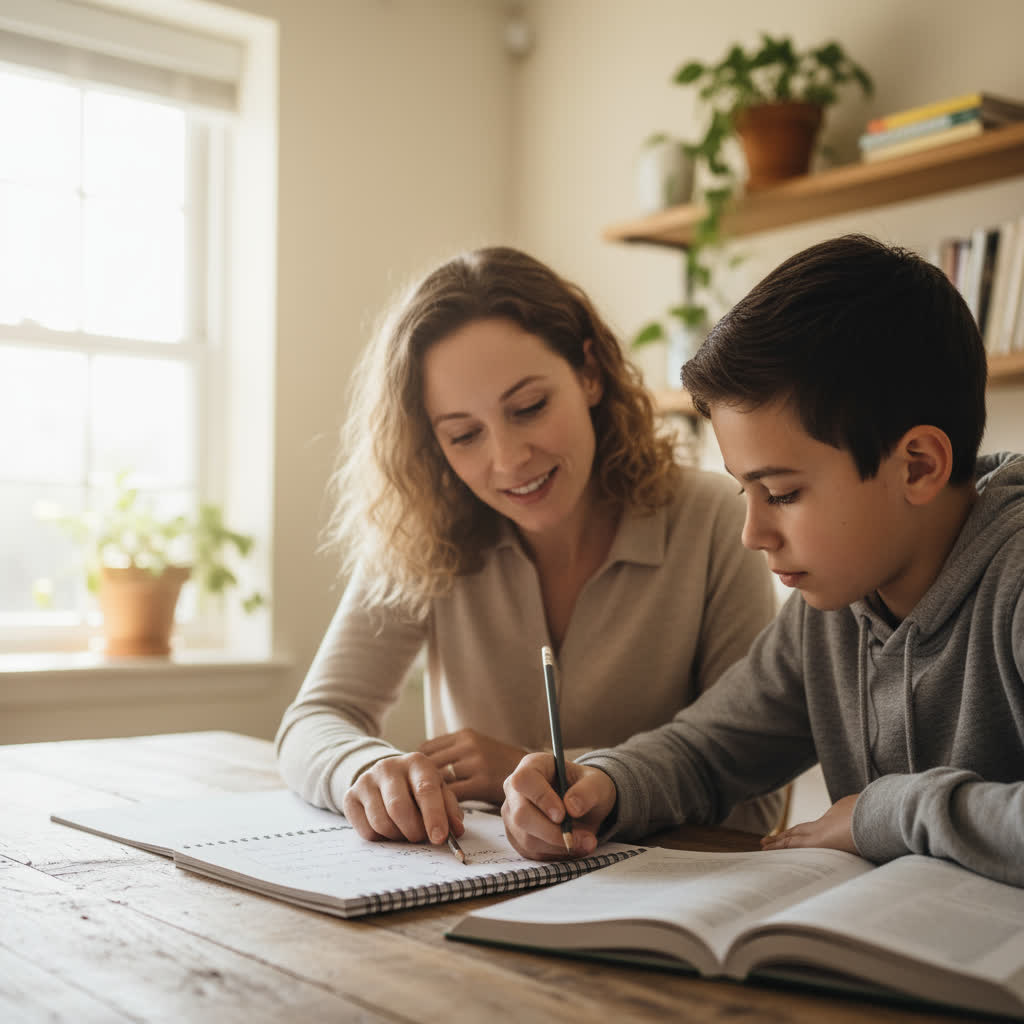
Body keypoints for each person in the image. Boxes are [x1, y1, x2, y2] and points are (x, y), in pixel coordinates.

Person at [501, 233, 1024, 888]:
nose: (753, 532)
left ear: (917, 465)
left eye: (781, 493)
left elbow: (884, 819)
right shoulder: (831, 609)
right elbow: (705, 751)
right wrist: (600, 785)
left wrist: (883, 812)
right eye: (744, 490)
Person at [275, 246, 781, 850]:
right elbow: (316, 720)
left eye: (529, 407)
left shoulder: (716, 520)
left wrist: (533, 770)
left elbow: (754, 793)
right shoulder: (424, 530)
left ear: (589, 373)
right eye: (463, 435)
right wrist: (364, 770)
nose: (508, 460)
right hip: (476, 894)